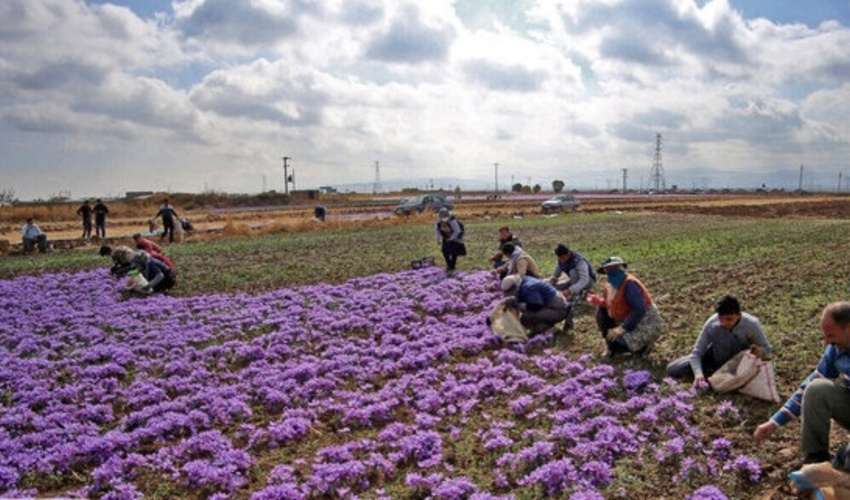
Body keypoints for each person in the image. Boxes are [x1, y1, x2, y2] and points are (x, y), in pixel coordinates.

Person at [754, 301, 850, 465]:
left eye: (831, 336)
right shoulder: (836, 349)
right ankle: (816, 457)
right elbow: (813, 381)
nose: (827, 343)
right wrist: (775, 421)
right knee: (817, 389)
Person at [666, 295, 773, 387]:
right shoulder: (712, 324)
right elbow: (696, 353)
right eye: (721, 318)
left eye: (729, 319)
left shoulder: (751, 324)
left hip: (739, 363)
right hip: (716, 358)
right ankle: (712, 374)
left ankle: (719, 377)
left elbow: (767, 349)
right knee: (673, 369)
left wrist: (757, 352)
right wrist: (698, 374)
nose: (724, 323)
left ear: (738, 315)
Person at [593, 256, 663, 357]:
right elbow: (612, 304)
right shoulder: (609, 286)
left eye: (615, 268)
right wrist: (601, 302)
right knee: (601, 311)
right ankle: (611, 346)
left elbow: (639, 309)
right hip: (625, 318)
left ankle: (643, 347)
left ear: (622, 268)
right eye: (608, 269)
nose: (612, 272)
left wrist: (623, 328)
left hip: (644, 321)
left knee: (620, 343)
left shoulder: (630, 284)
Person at [501, 274, 569, 335]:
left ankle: (548, 328)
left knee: (525, 316)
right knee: (524, 314)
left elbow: (536, 306)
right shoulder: (523, 280)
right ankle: (543, 326)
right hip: (550, 306)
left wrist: (518, 305)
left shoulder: (528, 288)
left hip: (559, 310)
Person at [435, 207, 466, 277]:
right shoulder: (439, 220)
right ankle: (449, 264)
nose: (445, 218)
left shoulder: (452, 220)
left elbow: (457, 231)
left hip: (456, 236)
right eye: (443, 217)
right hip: (446, 236)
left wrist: (451, 238)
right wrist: (438, 238)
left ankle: (452, 266)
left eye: (446, 216)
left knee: (454, 251)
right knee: (445, 250)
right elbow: (436, 229)